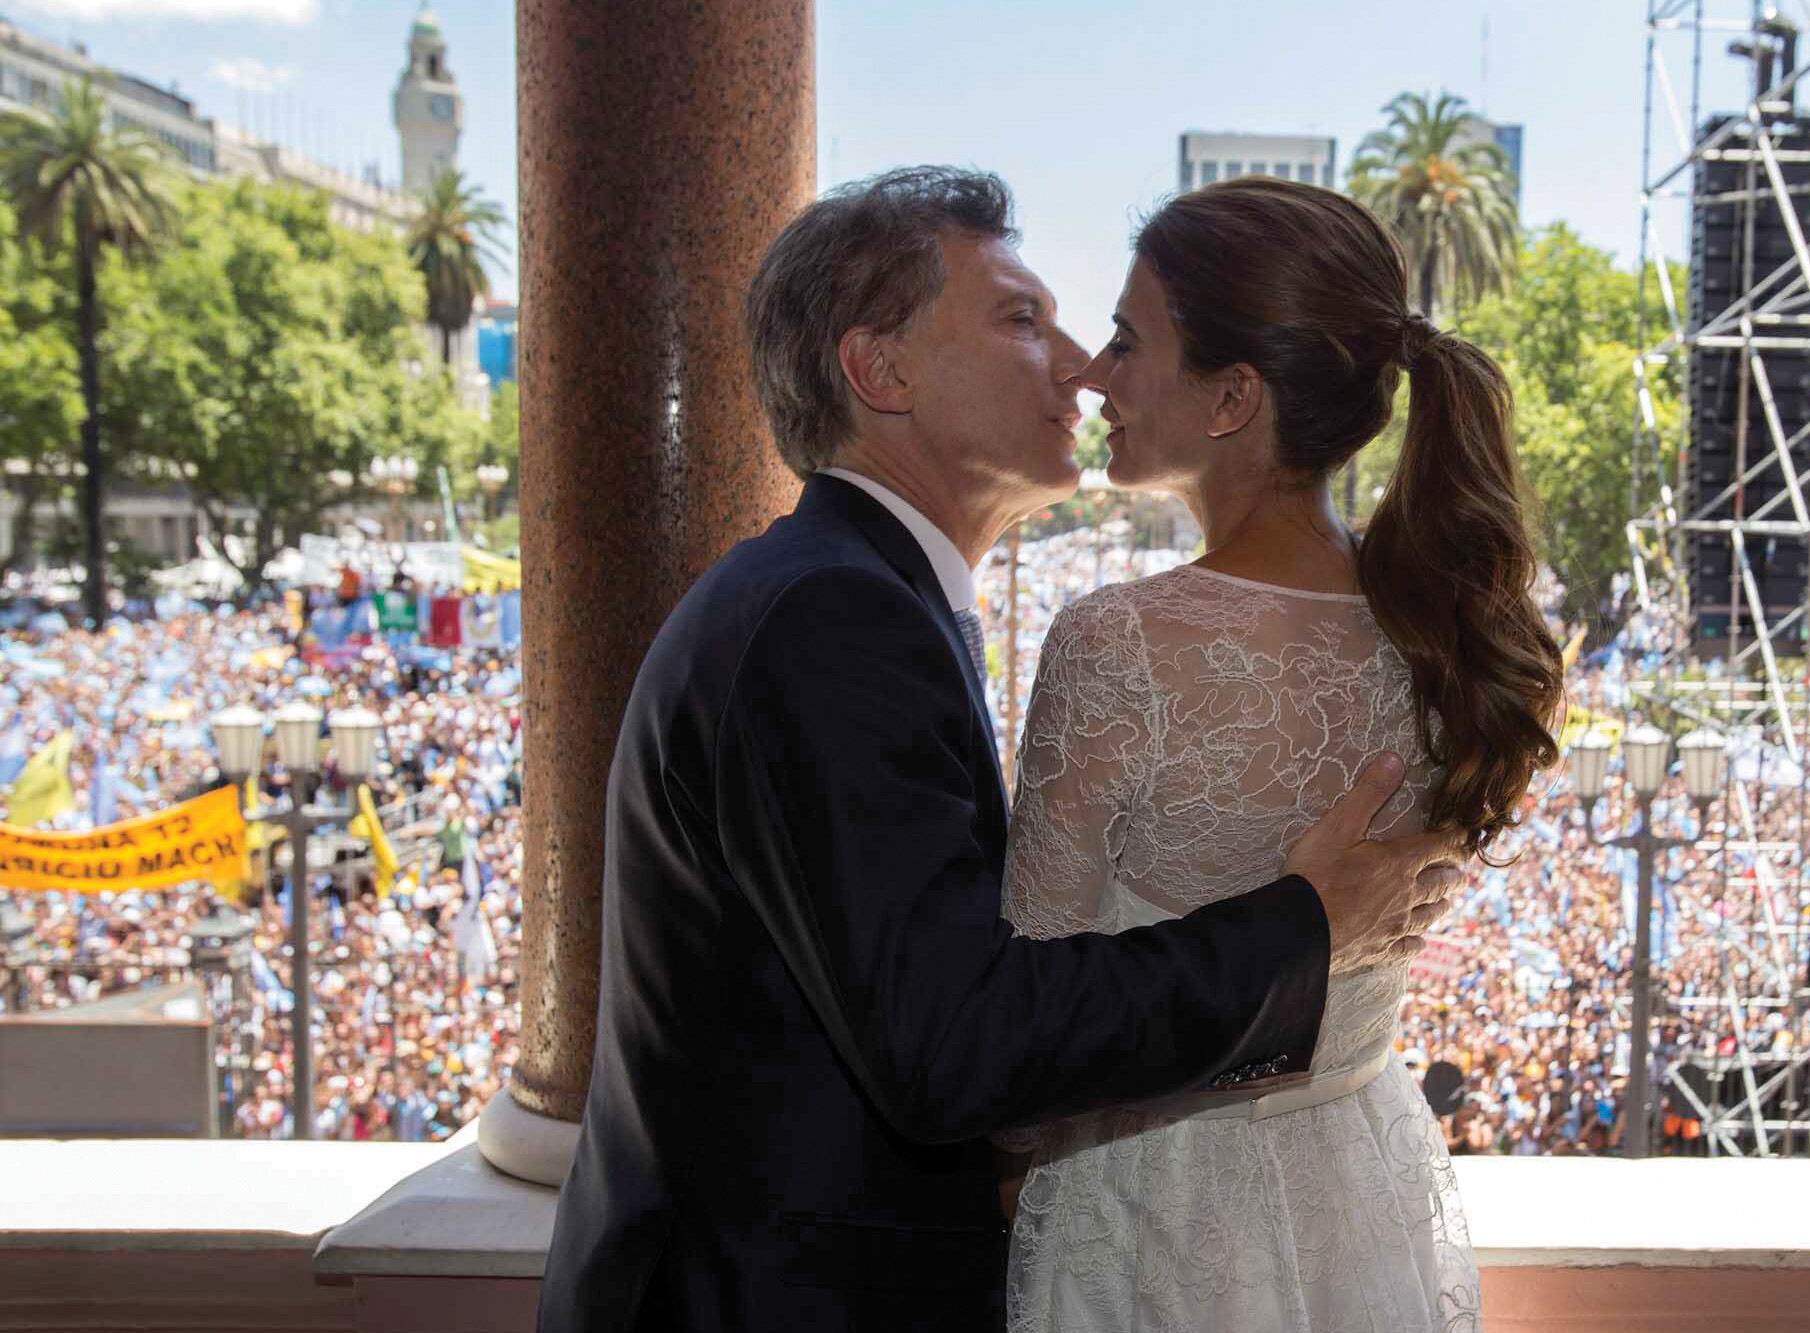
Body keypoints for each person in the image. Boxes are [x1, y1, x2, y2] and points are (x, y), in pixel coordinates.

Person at [536, 168, 1467, 1333]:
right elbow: (950, 1043)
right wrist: (1302, 929)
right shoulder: (831, 617)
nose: (1078, 366)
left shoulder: (853, 594)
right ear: (880, 371)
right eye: (1023, 319)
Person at [999, 178, 1565, 1332]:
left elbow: (1028, 1031)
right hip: (1359, 1184)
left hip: (1153, 1209)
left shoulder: (1118, 642)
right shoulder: (1440, 627)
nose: (1094, 374)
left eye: (1125, 339)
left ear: (1231, 397)